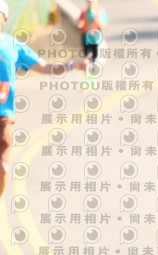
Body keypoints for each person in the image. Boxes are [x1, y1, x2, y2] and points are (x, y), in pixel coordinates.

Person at [0, 0, 90, 200]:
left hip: (4, 116)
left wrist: (72, 65)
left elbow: (45, 66)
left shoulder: (13, 46)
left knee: (3, 168)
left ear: (4, 20)